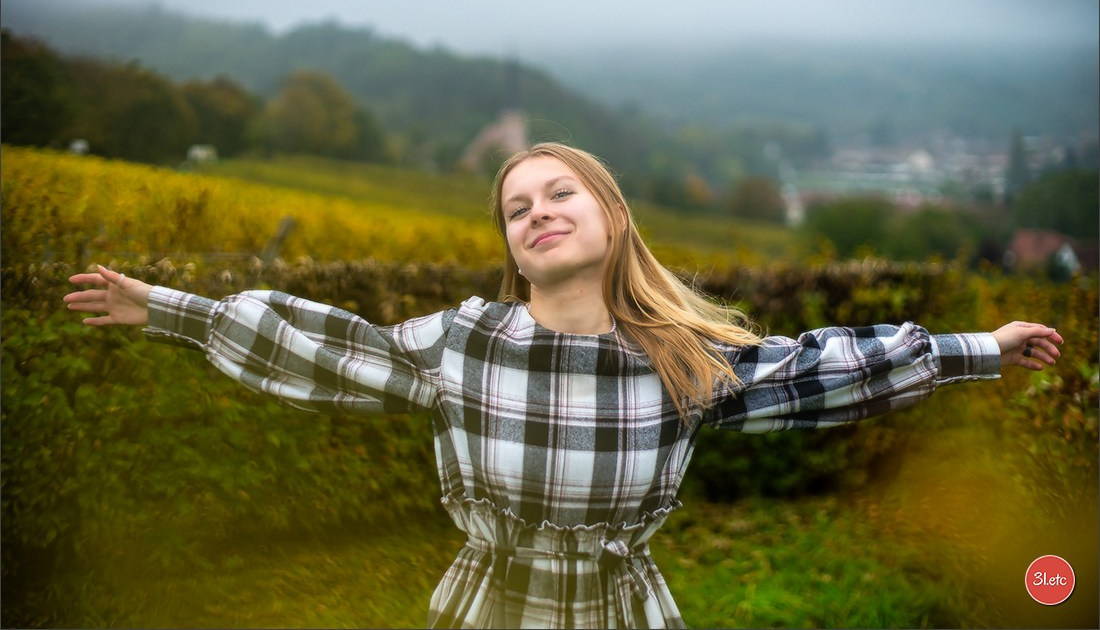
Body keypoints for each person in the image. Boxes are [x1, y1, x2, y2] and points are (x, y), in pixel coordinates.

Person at [65, 142, 1062, 629]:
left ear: (611, 216)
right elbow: (326, 345)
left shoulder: (680, 361)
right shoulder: (463, 341)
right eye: (514, 208)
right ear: (509, 246)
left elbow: (819, 368)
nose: (535, 212)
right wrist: (169, 307)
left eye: (558, 192)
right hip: (484, 606)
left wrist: (978, 344)